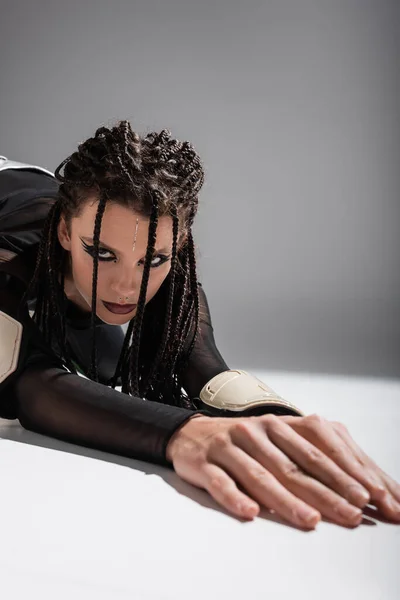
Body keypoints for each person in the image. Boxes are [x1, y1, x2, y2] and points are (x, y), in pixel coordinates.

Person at [0, 121, 399, 530]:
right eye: (101, 252)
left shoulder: (153, 240)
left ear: (180, 242)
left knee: (104, 362)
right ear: (66, 232)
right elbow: (26, 386)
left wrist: (281, 422)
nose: (126, 287)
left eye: (153, 261)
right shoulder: (10, 256)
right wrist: (184, 433)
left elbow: (205, 367)